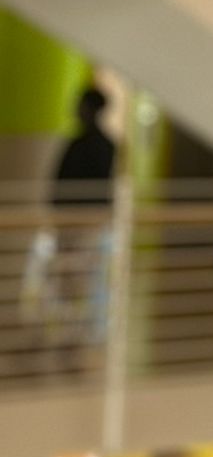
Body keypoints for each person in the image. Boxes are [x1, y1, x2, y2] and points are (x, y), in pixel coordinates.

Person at [47, 83, 118, 369]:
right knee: (76, 281)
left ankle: (76, 340)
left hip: (81, 223)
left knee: (76, 281)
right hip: (81, 223)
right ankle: (74, 339)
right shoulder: (102, 145)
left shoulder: (88, 146)